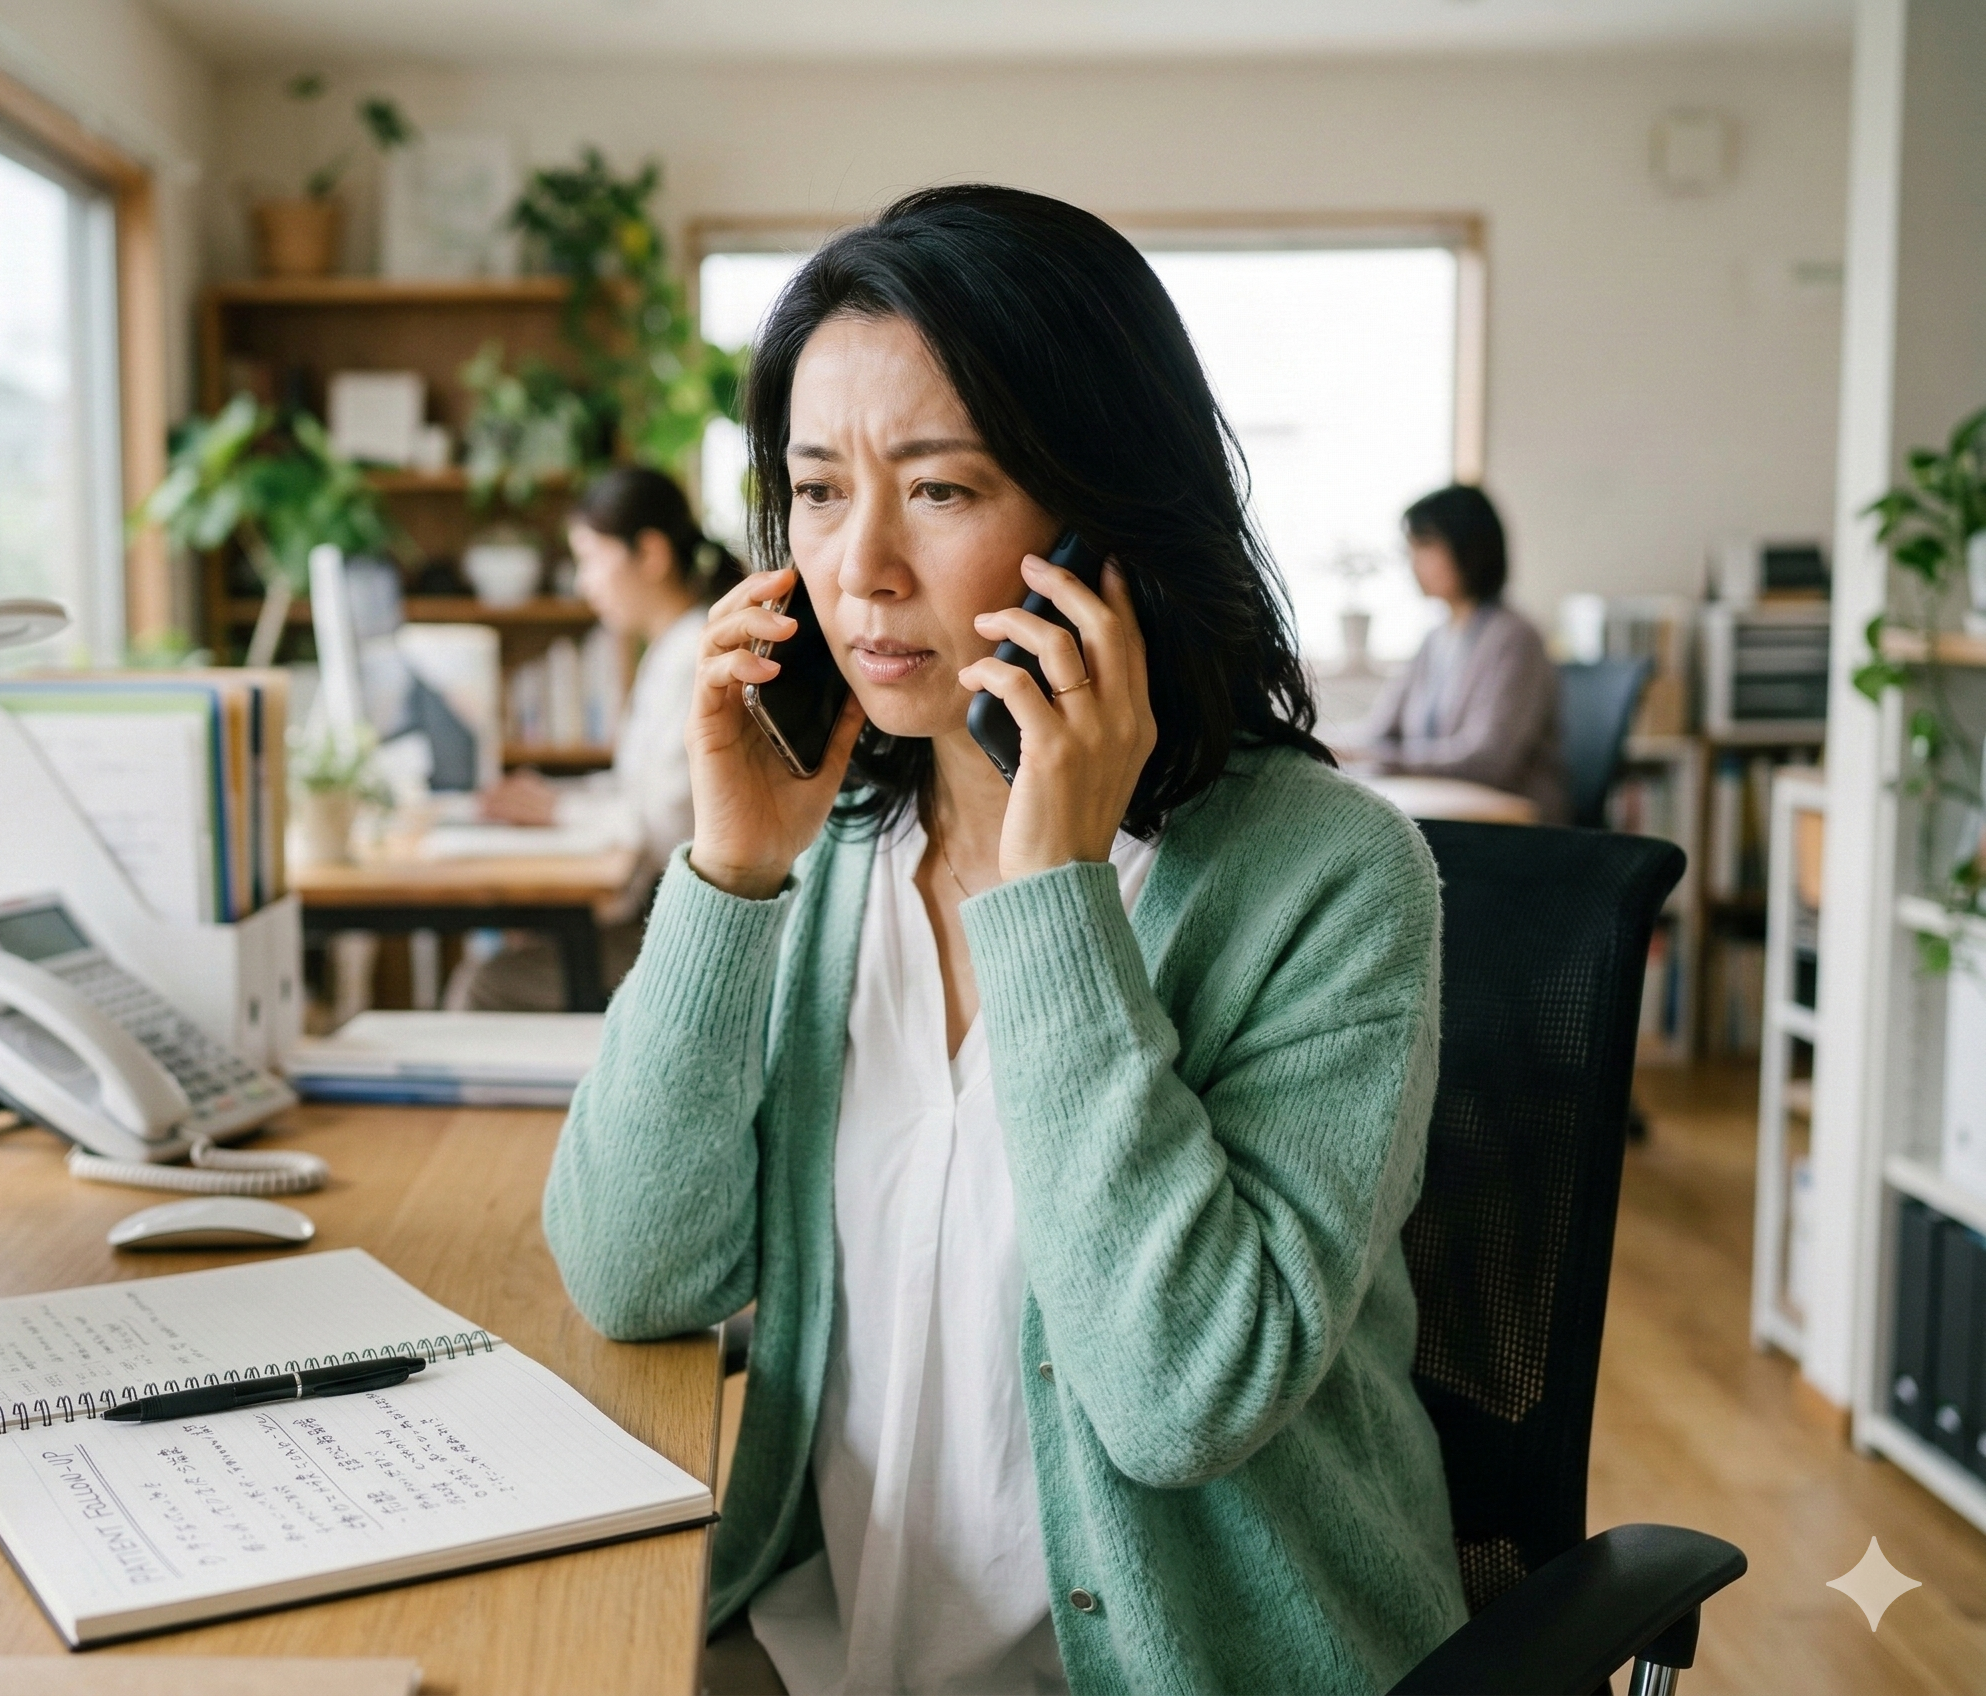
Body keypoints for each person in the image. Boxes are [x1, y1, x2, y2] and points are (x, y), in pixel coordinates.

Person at [543, 186, 1467, 1696]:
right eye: (822, 490)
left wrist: (1050, 901)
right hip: (826, 1649)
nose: (861, 571)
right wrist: (729, 876)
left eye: (944, 489)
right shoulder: (833, 842)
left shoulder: (1335, 881)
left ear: (1102, 521)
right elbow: (634, 1276)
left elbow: (1179, 1402)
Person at [451, 467, 741, 1009]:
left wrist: (560, 811)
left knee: (483, 984)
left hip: (671, 932)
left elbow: (669, 827)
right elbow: (642, 790)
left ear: (650, 555)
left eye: (591, 559)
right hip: (656, 913)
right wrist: (559, 800)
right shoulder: (671, 648)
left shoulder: (692, 655)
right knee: (492, 966)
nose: (585, 584)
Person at [1344, 486, 1568, 823]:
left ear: (1469, 549)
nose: (1414, 562)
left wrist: (1380, 757)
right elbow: (1379, 730)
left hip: (1514, 823)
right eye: (1411, 549)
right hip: (1450, 807)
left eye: (1425, 546)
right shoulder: (1435, 639)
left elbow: (1488, 760)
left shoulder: (1515, 638)